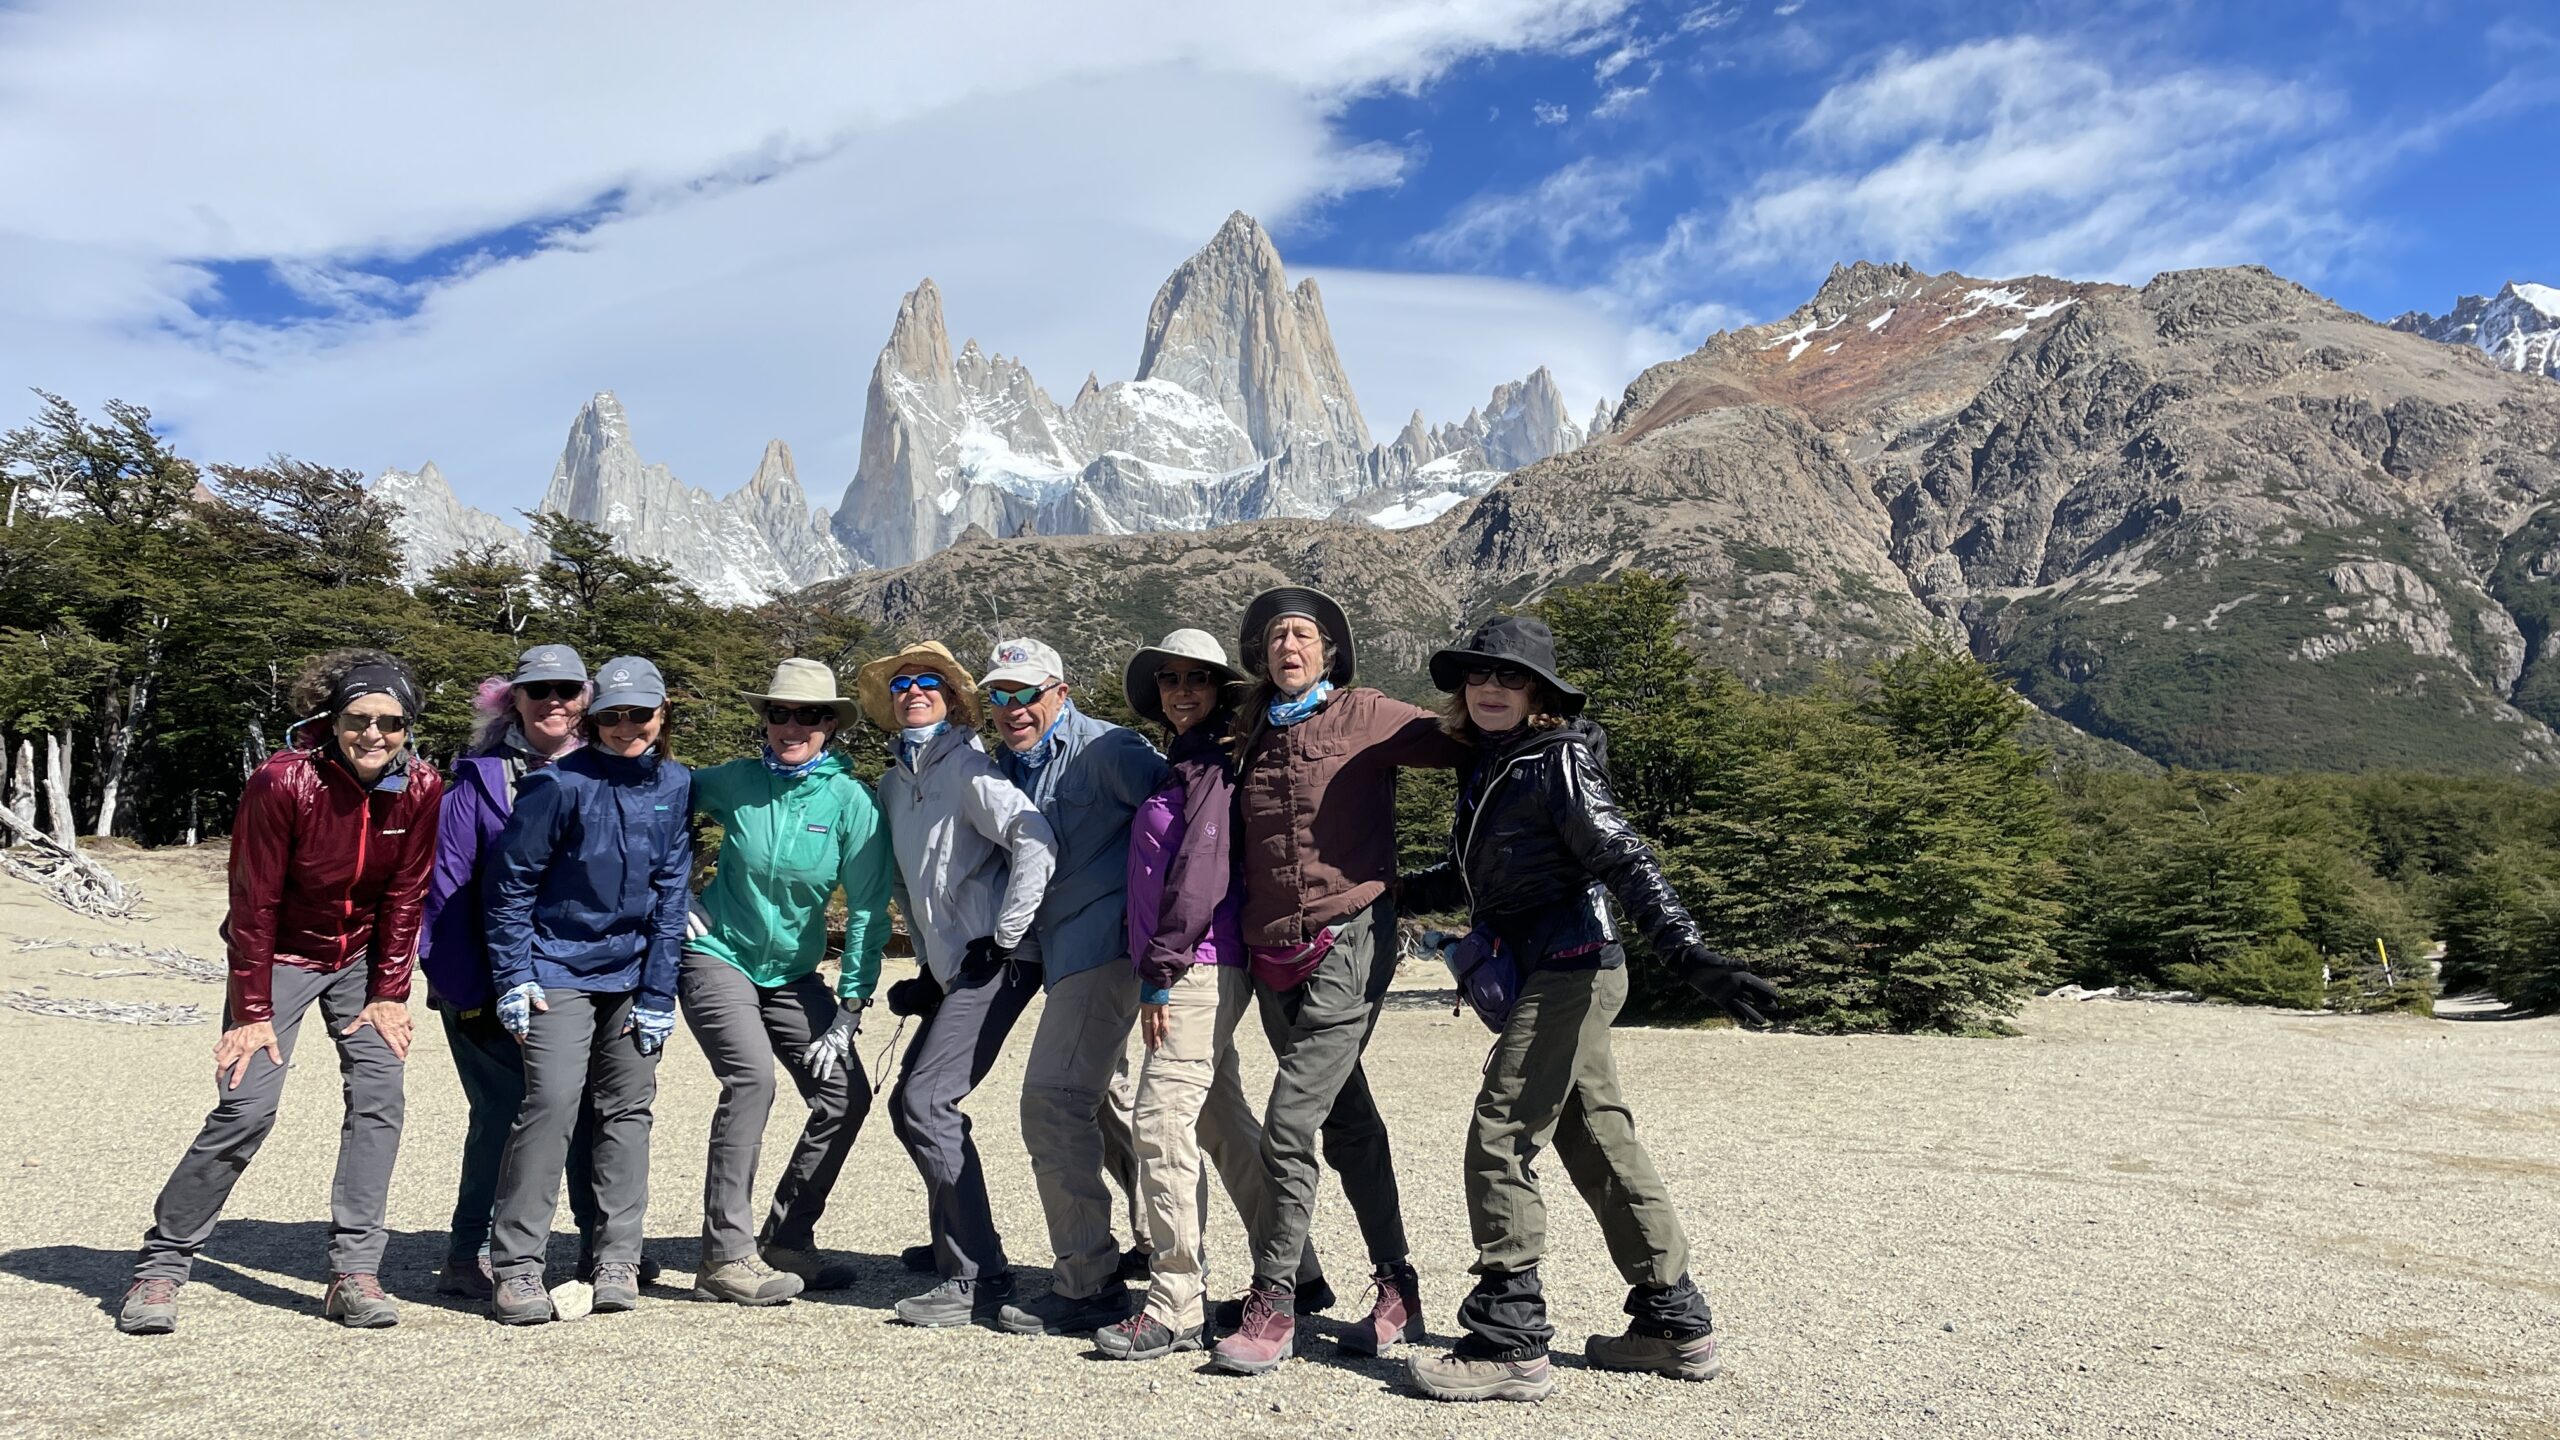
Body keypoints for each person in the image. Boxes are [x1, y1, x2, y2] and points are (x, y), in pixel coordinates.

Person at [1399, 615, 1778, 1403]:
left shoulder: (1556, 757)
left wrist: (1689, 954)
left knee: (1501, 1130)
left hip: (1572, 964)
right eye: (1478, 677)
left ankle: (1508, 1338)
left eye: (1509, 677)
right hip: (1558, 966)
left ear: (1538, 693)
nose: (1491, 689)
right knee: (1596, 1136)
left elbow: (1622, 854)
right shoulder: (1499, 766)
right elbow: (1475, 880)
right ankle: (1673, 1322)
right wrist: (1383, 891)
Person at [119, 649, 443, 1335]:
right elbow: (253, 901)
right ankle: (162, 1265)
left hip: (359, 957)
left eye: (391, 722)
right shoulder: (282, 780)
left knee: (380, 1097)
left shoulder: (420, 787)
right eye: (360, 719)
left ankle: (355, 1273)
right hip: (277, 955)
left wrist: (390, 991)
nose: (374, 735)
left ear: (409, 726)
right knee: (246, 1108)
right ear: (333, 718)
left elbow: (407, 894)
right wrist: (252, 1011)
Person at [1210, 586, 1469, 1377]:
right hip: (1270, 952)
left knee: (1289, 1125)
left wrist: (1453, 874)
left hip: (1349, 940)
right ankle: (1399, 1287)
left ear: (1329, 651)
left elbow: (1469, 747)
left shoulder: (1366, 715)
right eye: (1277, 637)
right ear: (1261, 656)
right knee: (1346, 1118)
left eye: (1305, 635)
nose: (1290, 647)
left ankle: (1274, 1301)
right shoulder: (1246, 733)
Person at [1096, 630, 1332, 1362]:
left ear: (1222, 689)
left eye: (1197, 679)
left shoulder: (1207, 770)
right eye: (1169, 680)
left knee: (1161, 1120)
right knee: (1223, 1124)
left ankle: (1174, 1303)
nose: (1181, 690)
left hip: (1195, 966)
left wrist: (1160, 970)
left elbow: (1199, 871)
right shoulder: (1189, 762)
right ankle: (1298, 1276)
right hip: (1199, 964)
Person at [954, 638, 1171, 1340]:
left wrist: (1170, 940)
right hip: (1053, 953)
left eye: (1026, 693)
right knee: (1102, 1102)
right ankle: (1149, 1244)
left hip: (1104, 950)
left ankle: (1087, 1283)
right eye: (999, 696)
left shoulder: (1111, 751)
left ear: (1061, 691)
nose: (1012, 708)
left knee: (1051, 1102)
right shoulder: (1005, 767)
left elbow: (1187, 819)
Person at [419, 643, 640, 1299]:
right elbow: (447, 888)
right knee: (509, 1109)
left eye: (567, 690)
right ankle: (471, 1251)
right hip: (487, 981)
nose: (554, 702)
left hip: (585, 978)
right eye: (538, 690)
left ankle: (598, 1250)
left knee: (582, 1110)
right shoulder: (478, 781)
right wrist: (464, 992)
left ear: (587, 699)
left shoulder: (613, 773)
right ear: (511, 698)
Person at [481, 657, 691, 1325]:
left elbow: (671, 893)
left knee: (628, 1112)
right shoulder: (557, 786)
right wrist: (515, 975)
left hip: (633, 975)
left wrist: (660, 991)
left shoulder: (677, 783)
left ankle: (616, 1260)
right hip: (558, 969)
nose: (627, 725)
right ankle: (516, 1266)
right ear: (594, 717)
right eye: (613, 714)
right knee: (550, 1104)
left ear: (662, 716)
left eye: (641, 713)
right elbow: (509, 886)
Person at [679, 658, 895, 1305]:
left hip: (795, 974)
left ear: (831, 724)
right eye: (779, 713)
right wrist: (672, 896)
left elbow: (866, 907)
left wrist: (851, 1006)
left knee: (845, 1094)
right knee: (752, 1081)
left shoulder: (851, 803)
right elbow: (655, 804)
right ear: (765, 720)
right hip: (718, 953)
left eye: (808, 715)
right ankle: (725, 1256)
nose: (791, 725)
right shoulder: (733, 782)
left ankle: (787, 1239)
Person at [859, 641, 1059, 1329]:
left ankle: (978, 1274)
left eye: (931, 684)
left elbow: (1036, 839)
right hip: (952, 968)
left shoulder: (970, 768)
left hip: (999, 961)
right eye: (904, 683)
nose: (914, 690)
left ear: (952, 701)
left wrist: (1004, 936)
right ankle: (957, 1239)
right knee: (910, 1107)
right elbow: (921, 887)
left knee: (926, 1100)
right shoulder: (895, 782)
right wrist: (925, 969)